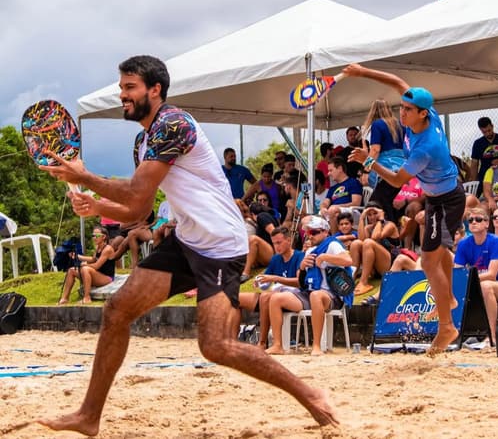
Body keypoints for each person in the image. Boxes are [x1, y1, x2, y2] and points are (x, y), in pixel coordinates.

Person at [38, 55, 338, 435]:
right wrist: (98, 205)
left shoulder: (173, 124)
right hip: (187, 239)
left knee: (216, 347)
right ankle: (89, 416)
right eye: (121, 88)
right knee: (116, 311)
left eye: (129, 88)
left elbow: (134, 192)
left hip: (221, 245)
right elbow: (139, 206)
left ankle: (310, 393)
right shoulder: (143, 140)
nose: (123, 95)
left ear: (155, 89)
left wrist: (87, 177)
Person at [345, 63, 465, 356]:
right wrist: (363, 72)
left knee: (428, 262)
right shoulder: (424, 113)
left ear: (423, 113)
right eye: (402, 107)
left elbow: (398, 179)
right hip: (436, 197)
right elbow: (398, 81)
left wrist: (368, 163)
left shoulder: (428, 146)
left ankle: (447, 326)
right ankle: (448, 298)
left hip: (447, 199)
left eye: (408, 110)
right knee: (439, 254)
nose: (403, 112)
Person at [266, 216, 353, 356]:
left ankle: (317, 345)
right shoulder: (309, 251)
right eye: (307, 232)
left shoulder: (332, 245)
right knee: (276, 298)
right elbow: (302, 282)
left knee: (316, 296)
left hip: (331, 294)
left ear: (325, 232)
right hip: (310, 292)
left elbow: (348, 260)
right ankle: (277, 345)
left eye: (314, 232)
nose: (309, 235)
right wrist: (301, 266)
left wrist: (325, 257)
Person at [454, 207, 498, 345]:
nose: (474, 222)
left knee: (486, 286)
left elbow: (492, 275)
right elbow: (458, 273)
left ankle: (492, 337)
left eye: (478, 219)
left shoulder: (495, 241)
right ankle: (452, 334)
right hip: (479, 283)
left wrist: (468, 279)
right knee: (451, 286)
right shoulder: (464, 244)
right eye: (470, 220)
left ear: (487, 224)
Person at [238, 226, 303, 348]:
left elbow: (300, 282)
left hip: (292, 296)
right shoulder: (275, 259)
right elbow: (266, 280)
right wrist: (259, 282)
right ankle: (232, 339)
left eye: (279, 242)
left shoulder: (300, 256)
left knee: (266, 297)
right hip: (272, 295)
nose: (276, 246)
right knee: (235, 298)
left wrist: (275, 279)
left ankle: (262, 342)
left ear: (289, 240)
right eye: (274, 243)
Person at [360, 98, 405, 222]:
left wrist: (367, 170)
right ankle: (394, 234)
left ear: (373, 111)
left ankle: (391, 237)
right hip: (402, 168)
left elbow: (375, 150)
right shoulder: (401, 124)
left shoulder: (377, 124)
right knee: (388, 204)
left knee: (375, 205)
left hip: (386, 169)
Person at [350, 201, 400, 296]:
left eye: (375, 213)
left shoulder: (390, 225)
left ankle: (364, 282)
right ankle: (351, 279)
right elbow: (361, 240)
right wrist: (361, 218)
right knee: (356, 243)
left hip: (391, 266)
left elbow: (375, 237)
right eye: (369, 215)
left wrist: (381, 219)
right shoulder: (368, 228)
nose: (372, 217)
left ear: (381, 213)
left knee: (369, 242)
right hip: (375, 268)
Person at [57, 226, 116, 305]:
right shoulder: (98, 247)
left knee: (85, 269)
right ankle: (64, 298)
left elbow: (96, 266)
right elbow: (93, 259)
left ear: (104, 237)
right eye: (93, 236)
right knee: (71, 270)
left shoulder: (108, 249)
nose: (94, 238)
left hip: (106, 278)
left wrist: (82, 264)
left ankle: (87, 297)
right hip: (97, 274)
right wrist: (77, 256)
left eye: (97, 236)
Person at [470, 117, 498, 195]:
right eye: (484, 132)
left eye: (489, 130)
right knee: (473, 195)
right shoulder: (478, 143)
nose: (488, 134)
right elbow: (474, 163)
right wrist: (473, 181)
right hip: (485, 173)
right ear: (480, 130)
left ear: (492, 126)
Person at [319, 156, 363, 233]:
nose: (328, 173)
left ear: (340, 168)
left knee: (333, 210)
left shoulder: (353, 182)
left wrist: (337, 207)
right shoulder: (333, 188)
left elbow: (356, 203)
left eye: (331, 170)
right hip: (335, 212)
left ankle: (334, 239)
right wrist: (323, 208)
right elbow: (325, 202)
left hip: (352, 211)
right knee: (312, 218)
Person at [240, 202, 280, 283]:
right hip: (269, 252)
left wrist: (279, 258)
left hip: (272, 254)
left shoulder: (261, 216)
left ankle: (246, 273)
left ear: (252, 214)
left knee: (253, 239)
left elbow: (273, 233)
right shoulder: (269, 216)